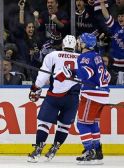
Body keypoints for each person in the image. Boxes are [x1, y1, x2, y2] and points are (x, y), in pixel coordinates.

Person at [27, 35, 81, 163]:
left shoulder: (53, 55)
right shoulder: (81, 59)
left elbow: (42, 77)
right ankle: (54, 149)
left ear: (63, 44)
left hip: (54, 96)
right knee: (64, 126)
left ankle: (37, 151)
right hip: (72, 98)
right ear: (76, 46)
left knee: (44, 124)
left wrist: (35, 88)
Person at [74, 33, 110, 164]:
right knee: (93, 123)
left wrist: (72, 72)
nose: (78, 43)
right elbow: (107, 75)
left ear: (84, 44)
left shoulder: (84, 57)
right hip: (103, 95)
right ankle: (97, 151)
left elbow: (86, 73)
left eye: (79, 41)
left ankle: (89, 151)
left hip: (91, 95)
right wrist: (73, 72)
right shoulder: (97, 56)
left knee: (82, 124)